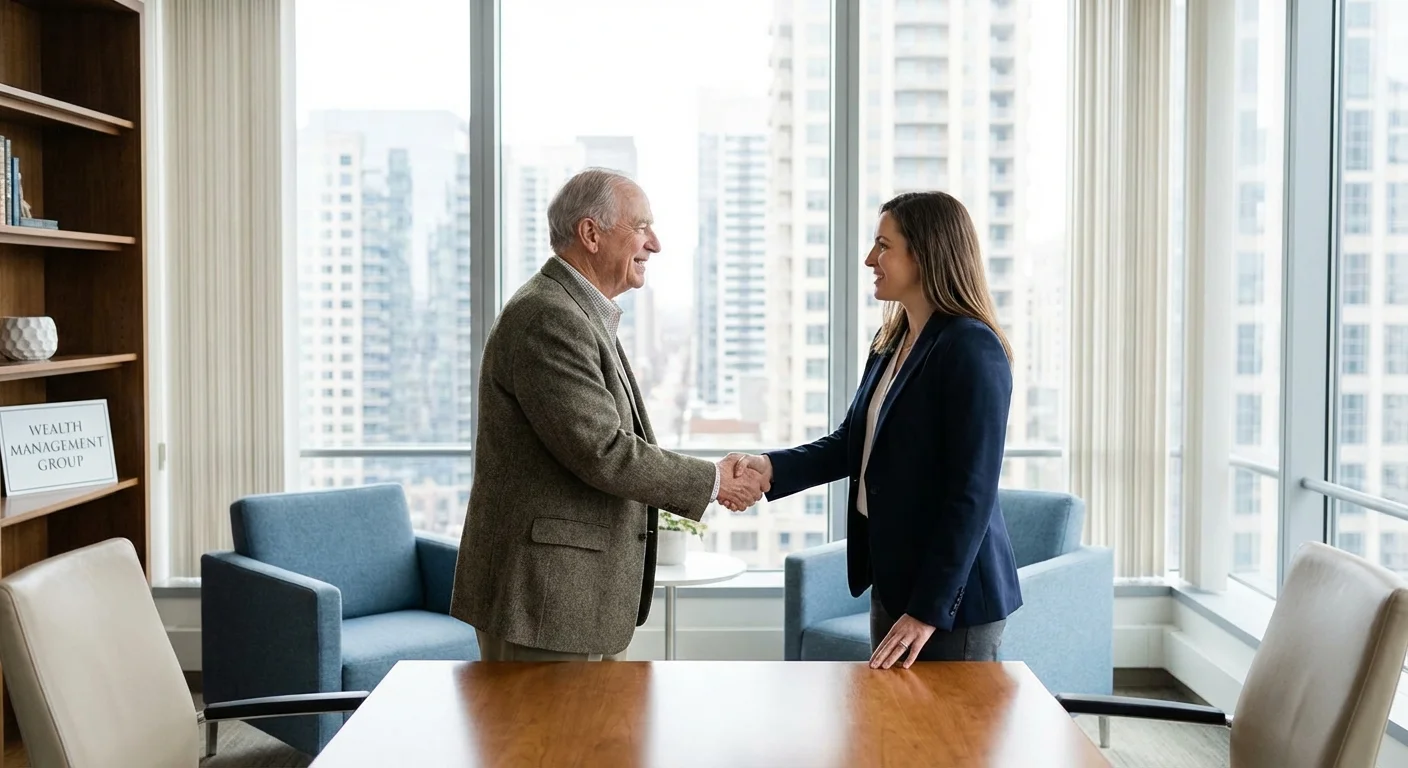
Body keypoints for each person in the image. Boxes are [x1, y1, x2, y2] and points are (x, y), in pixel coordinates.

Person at [450, 168, 768, 661]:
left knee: (588, 739)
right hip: (544, 601)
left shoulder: (573, 310)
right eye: (641, 227)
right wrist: (714, 480)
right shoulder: (549, 318)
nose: (655, 244)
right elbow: (603, 450)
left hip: (569, 598)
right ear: (591, 234)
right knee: (549, 740)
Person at [731, 191, 1020, 668]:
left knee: (950, 739)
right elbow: (852, 443)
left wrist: (927, 611)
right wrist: (769, 468)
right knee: (893, 731)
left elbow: (972, 493)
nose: (870, 259)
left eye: (883, 245)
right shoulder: (893, 340)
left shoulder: (971, 348)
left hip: (953, 602)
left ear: (925, 253)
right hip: (893, 580)